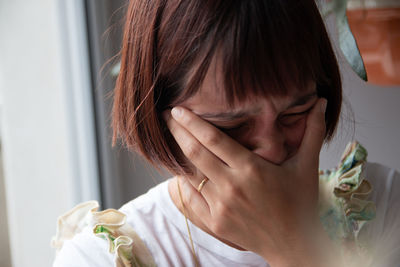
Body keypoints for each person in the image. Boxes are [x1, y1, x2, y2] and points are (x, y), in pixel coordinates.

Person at [52, 0, 400, 266]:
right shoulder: (99, 258)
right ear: (163, 121)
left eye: (295, 113)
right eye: (230, 127)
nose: (272, 149)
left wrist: (297, 247)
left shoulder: (378, 204)